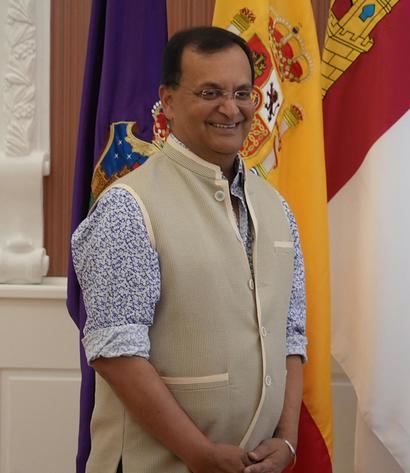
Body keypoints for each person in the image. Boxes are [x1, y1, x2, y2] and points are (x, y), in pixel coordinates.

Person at [72, 26, 306, 473]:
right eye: (210, 91)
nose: (230, 108)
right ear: (170, 99)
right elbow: (115, 353)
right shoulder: (128, 206)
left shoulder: (276, 207)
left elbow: (291, 336)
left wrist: (288, 441)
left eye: (242, 92)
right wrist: (198, 454)